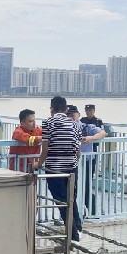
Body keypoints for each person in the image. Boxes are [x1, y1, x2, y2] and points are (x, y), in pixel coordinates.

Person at [33, 96, 82, 243]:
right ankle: (78, 227)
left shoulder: (48, 122)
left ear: (51, 109)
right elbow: (78, 150)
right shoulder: (74, 124)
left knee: (61, 201)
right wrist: (72, 162)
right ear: (66, 109)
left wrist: (38, 163)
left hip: (54, 168)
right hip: (72, 167)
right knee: (71, 198)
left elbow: (46, 147)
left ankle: (73, 235)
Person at [67, 105, 107, 216]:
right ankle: (77, 212)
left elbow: (103, 133)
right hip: (71, 161)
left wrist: (91, 138)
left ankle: (91, 212)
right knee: (72, 187)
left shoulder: (85, 127)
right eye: (68, 116)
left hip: (86, 161)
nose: (71, 118)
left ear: (78, 115)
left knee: (86, 186)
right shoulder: (64, 128)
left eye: (72, 115)